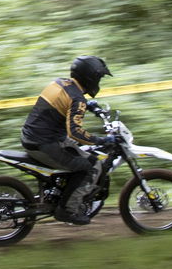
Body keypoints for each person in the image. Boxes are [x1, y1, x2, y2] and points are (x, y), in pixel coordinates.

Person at [20, 55, 113, 219]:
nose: (98, 81)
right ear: (90, 77)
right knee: (91, 167)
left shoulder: (60, 83)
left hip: (34, 136)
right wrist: (101, 140)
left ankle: (61, 193)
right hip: (45, 143)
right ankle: (67, 210)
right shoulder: (77, 99)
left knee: (82, 153)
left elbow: (64, 102)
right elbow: (75, 132)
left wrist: (88, 105)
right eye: (98, 78)